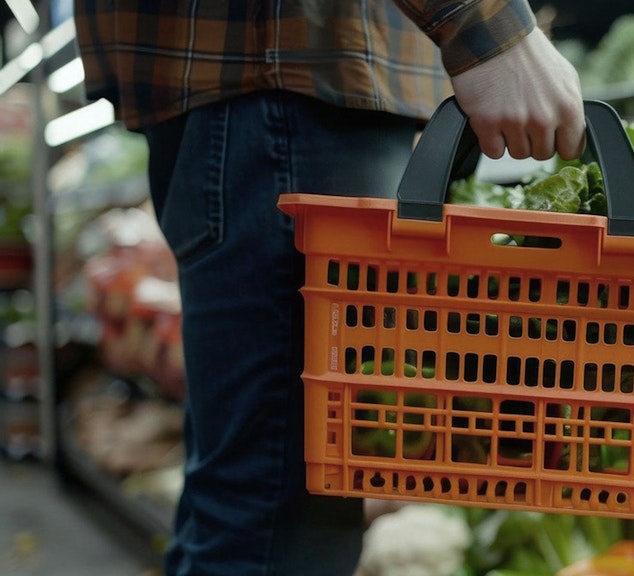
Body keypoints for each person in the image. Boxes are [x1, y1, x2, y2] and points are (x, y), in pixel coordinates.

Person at [72, 1, 585, 574]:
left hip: (271, 90)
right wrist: (492, 31)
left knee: (257, 501)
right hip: (291, 76)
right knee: (281, 524)